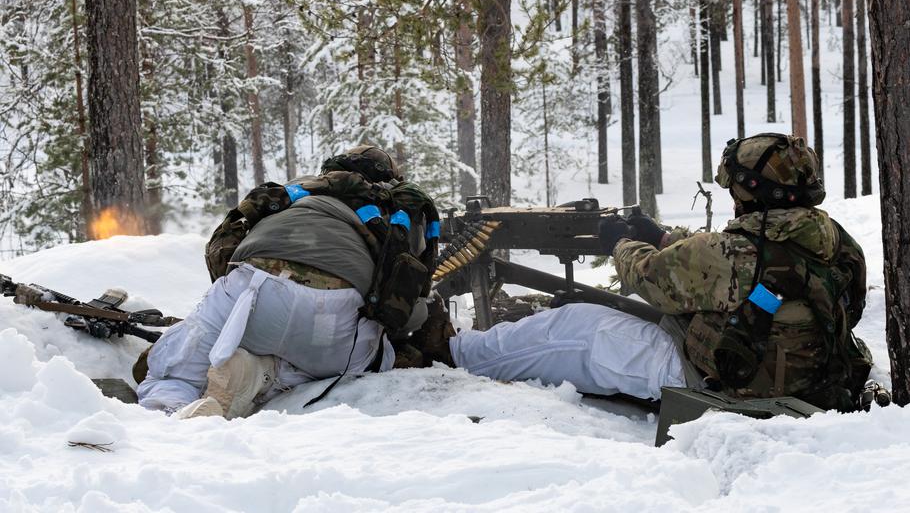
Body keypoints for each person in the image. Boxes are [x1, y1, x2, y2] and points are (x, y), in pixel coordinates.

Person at [451, 134, 872, 411]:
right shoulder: (834, 238)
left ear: (751, 194)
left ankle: (459, 354)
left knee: (578, 326)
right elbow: (730, 261)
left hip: (731, 379)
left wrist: (619, 241)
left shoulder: (731, 255)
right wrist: (664, 236)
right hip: (816, 371)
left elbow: (649, 277)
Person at [137, 145, 441, 418]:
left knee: (174, 374)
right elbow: (401, 309)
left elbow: (224, 250)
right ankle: (265, 376)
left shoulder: (296, 190)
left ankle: (170, 418)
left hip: (249, 286)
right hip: (333, 309)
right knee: (357, 365)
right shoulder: (394, 212)